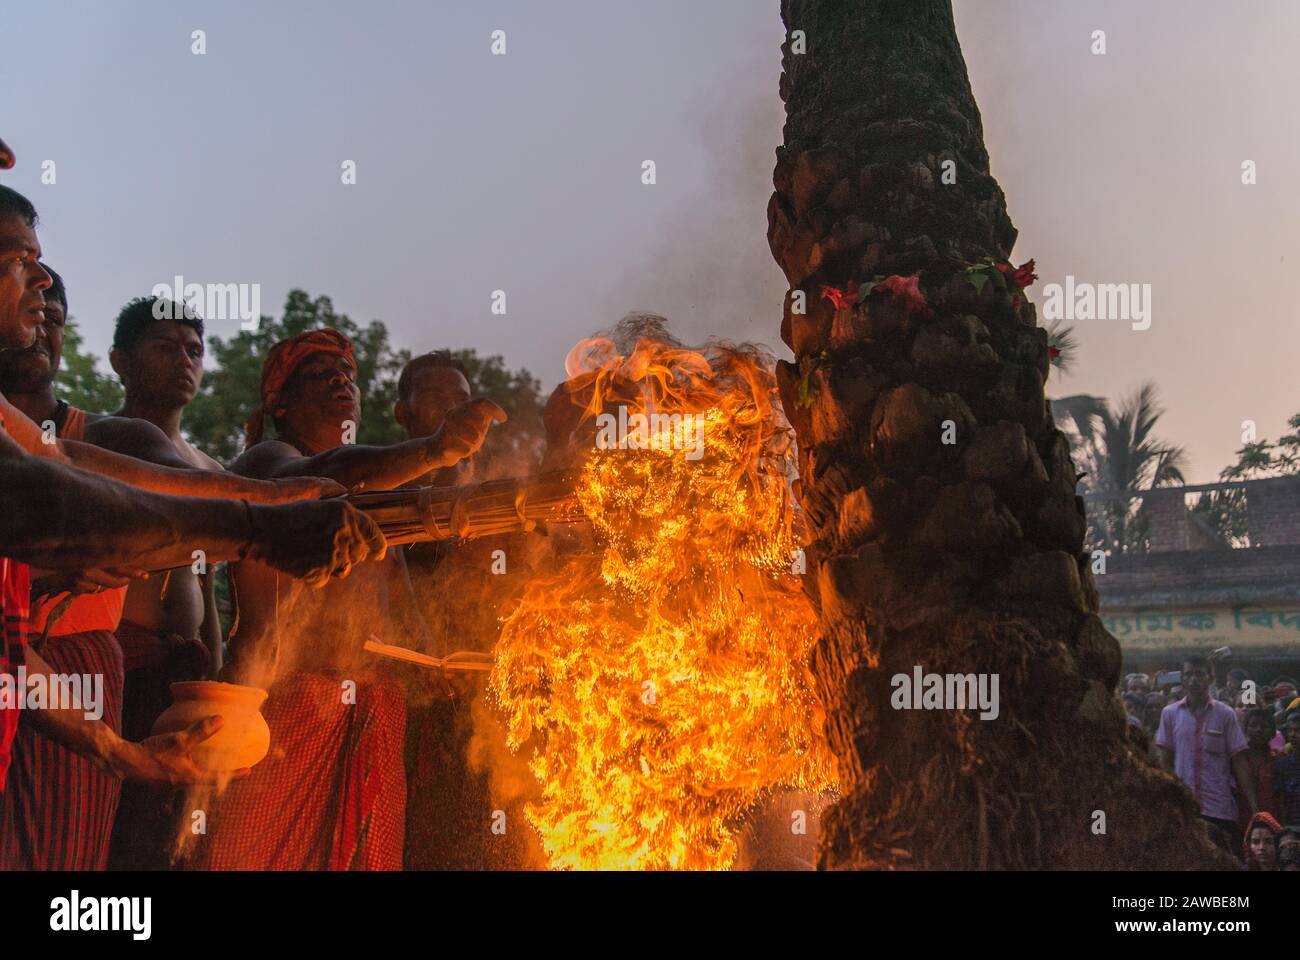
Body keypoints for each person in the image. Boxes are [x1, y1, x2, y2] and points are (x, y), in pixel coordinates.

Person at [0, 185, 387, 807]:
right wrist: (258, 525)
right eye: (20, 259)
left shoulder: (60, 442)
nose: (43, 280)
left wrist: (119, 754)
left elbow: (65, 468)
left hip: (107, 689)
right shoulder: (60, 459)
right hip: (112, 670)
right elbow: (42, 494)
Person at [188, 329, 504, 870]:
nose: (342, 382)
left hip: (371, 712)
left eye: (349, 376)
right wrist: (435, 449)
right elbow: (317, 478)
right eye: (321, 374)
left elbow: (398, 605)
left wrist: (429, 662)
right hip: (281, 710)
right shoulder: (271, 460)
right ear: (279, 401)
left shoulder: (373, 491)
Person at [1156, 654, 1256, 849]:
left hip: (1219, 809)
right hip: (1184, 809)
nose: (1194, 680)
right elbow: (1165, 762)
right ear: (1182, 680)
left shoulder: (1226, 714)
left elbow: (1239, 761)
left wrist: (1254, 806)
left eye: (1200, 674)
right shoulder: (1169, 714)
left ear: (1210, 677)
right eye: (1189, 674)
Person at [1273, 710, 1300, 827]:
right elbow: (1281, 802)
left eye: (1298, 730)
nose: (1293, 734)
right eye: (1291, 730)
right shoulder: (1283, 765)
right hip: (1292, 827)